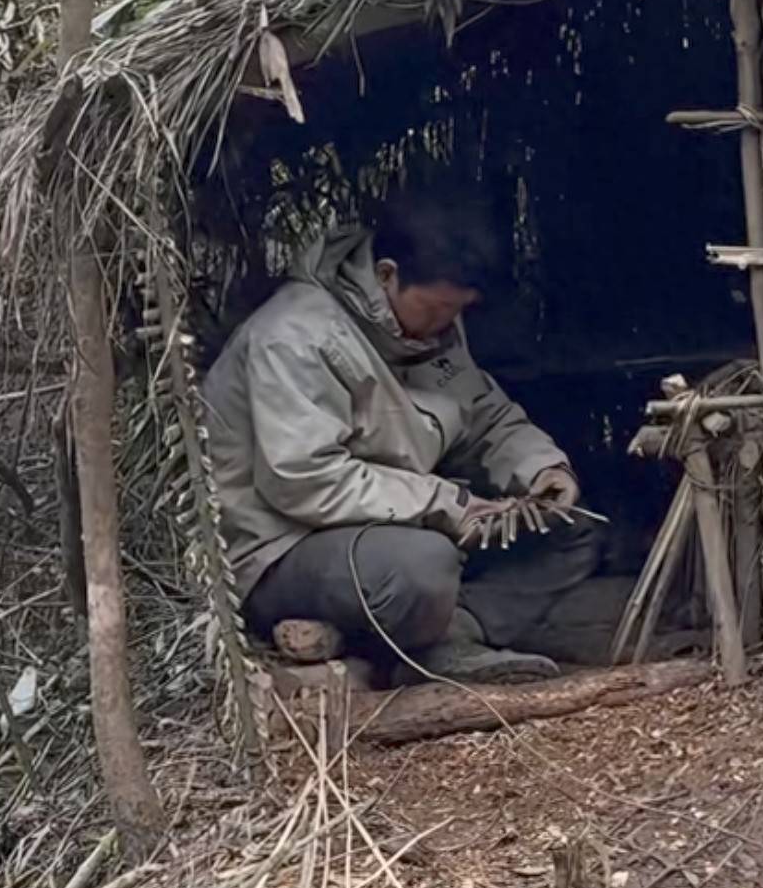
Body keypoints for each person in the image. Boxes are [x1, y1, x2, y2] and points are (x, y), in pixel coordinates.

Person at [202, 195, 599, 684]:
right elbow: (303, 480)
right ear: (386, 274)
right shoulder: (293, 337)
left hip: (407, 520)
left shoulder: (434, 326)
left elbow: (483, 414)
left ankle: (453, 634)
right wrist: (446, 504)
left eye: (458, 310)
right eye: (436, 308)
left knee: (569, 528)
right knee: (422, 566)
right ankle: (399, 640)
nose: (444, 324)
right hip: (283, 547)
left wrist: (541, 467)